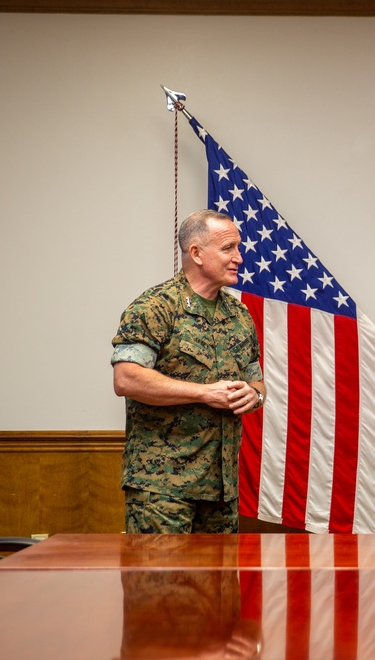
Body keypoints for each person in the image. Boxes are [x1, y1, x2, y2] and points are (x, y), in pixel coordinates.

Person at [111, 209, 265, 534]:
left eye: (238, 248)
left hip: (221, 490)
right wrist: (204, 393)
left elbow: (257, 381)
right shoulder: (155, 307)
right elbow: (127, 378)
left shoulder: (238, 314)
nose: (239, 257)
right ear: (196, 253)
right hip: (162, 489)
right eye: (228, 249)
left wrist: (253, 394)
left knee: (219, 585)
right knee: (162, 585)